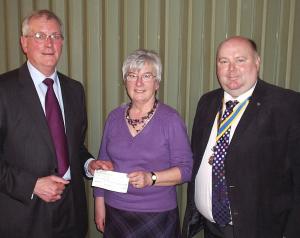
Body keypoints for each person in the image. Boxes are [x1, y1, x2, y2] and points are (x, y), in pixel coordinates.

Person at [0, 9, 112, 238]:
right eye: (39, 36)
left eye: (55, 36)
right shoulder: (3, 90)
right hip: (24, 216)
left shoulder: (74, 90)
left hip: (72, 214)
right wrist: (31, 184)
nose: (49, 44)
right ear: (24, 43)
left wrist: (89, 164)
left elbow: (73, 147)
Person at [182, 36, 300, 238]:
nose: (231, 69)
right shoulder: (207, 102)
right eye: (224, 61)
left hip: (259, 230)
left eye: (240, 60)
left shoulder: (287, 105)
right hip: (211, 227)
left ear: (257, 62)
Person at [93, 49, 193, 238]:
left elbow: (186, 170)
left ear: (157, 83)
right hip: (116, 210)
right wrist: (99, 203)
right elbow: (102, 163)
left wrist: (151, 178)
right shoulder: (114, 118)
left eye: (146, 76)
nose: (138, 83)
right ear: (125, 81)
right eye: (132, 75)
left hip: (157, 215)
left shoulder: (170, 119)